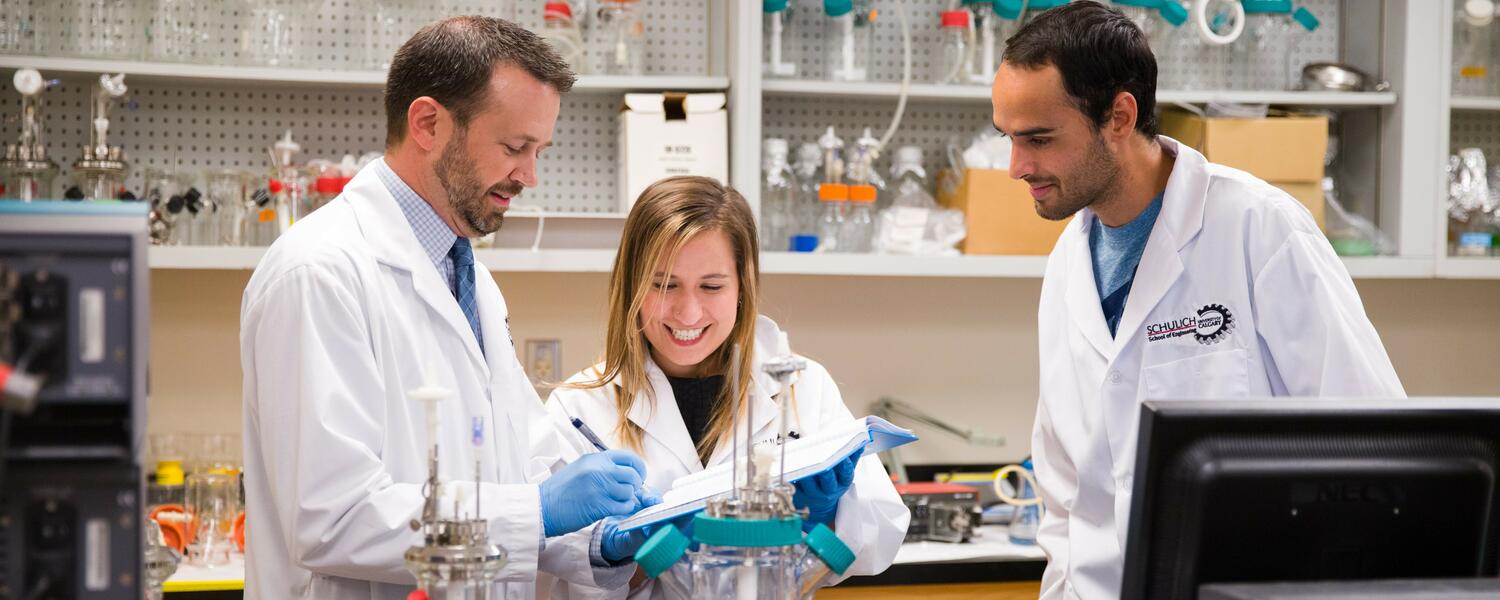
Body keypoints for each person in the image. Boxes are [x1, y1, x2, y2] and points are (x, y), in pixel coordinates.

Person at [989, 3, 1407, 598]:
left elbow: (1375, 445)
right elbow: (1066, 498)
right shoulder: (1066, 266)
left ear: (1119, 116)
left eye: (1038, 139)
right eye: (1008, 138)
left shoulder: (1257, 228)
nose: (1016, 167)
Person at [241, 17, 656, 599]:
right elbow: (331, 516)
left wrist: (602, 538)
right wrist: (538, 508)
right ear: (429, 123)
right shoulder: (319, 272)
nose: (529, 176)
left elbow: (513, 470)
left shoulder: (471, 281)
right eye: (515, 147)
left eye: (540, 151)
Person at [533, 176, 909, 598]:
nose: (688, 312)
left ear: (742, 288)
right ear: (632, 286)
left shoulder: (801, 387)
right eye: (663, 285)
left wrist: (822, 516)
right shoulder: (580, 407)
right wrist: (626, 551)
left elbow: (880, 535)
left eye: (711, 286)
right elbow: (545, 564)